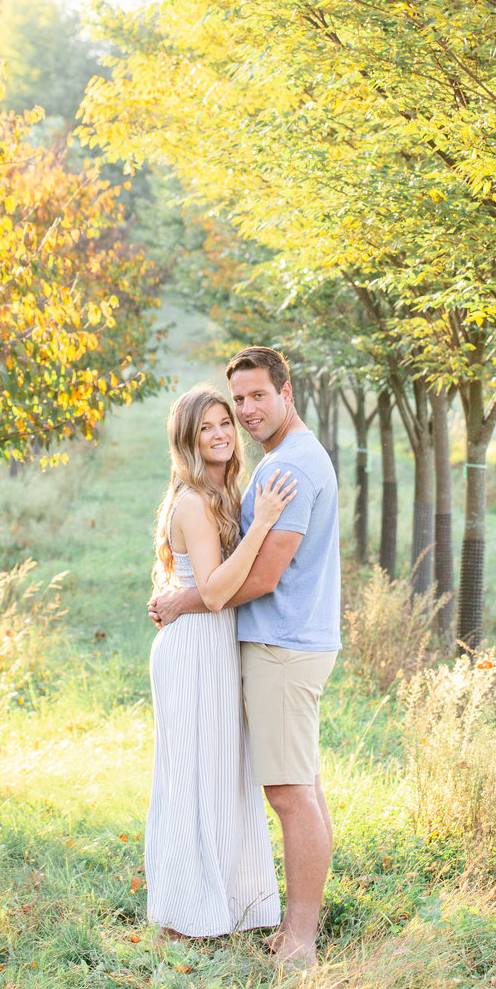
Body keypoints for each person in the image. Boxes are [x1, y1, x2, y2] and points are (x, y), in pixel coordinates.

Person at [150, 347, 341, 969]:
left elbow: (257, 580)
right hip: (268, 645)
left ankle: (299, 940)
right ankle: (263, 916)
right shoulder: (266, 470)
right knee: (296, 787)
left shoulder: (291, 469)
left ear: (287, 391)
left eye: (258, 397)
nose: (245, 414)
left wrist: (183, 601)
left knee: (290, 794)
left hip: (283, 646)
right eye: (238, 403)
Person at [144, 382, 297, 940]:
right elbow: (210, 592)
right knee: (192, 775)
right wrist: (262, 524)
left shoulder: (218, 494)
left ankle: (230, 902)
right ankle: (184, 914)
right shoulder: (193, 500)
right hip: (194, 650)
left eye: (224, 424)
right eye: (205, 428)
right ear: (187, 440)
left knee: (224, 775)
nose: (219, 435)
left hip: (213, 644)